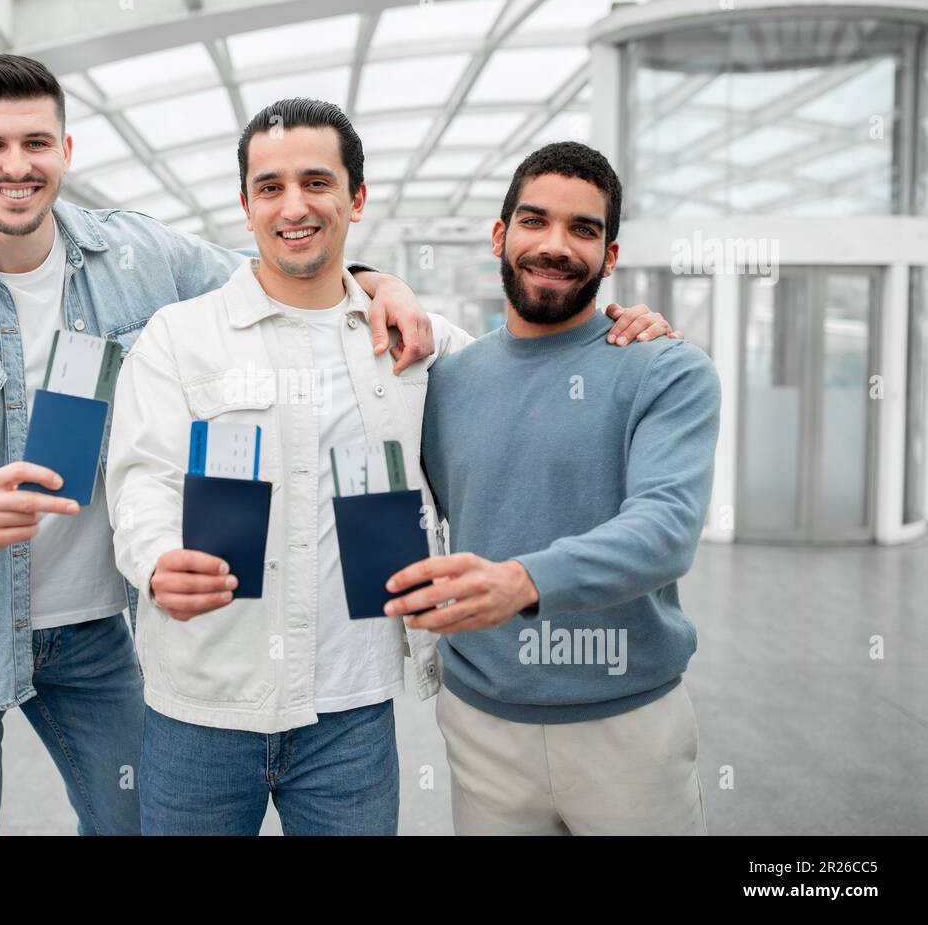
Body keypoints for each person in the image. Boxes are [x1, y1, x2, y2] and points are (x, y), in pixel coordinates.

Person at [0, 56, 437, 836]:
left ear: (66, 151)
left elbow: (280, 269)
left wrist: (378, 278)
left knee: (129, 820)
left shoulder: (136, 256)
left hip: (94, 627)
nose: (16, 165)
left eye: (37, 142)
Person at [104, 102, 676, 835]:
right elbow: (141, 477)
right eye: (270, 187)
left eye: (317, 181)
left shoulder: (418, 342)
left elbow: (536, 361)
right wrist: (155, 562)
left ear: (357, 198)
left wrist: (623, 334)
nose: (295, 205)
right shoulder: (180, 338)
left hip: (352, 715)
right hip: (203, 706)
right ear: (245, 206)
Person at [385, 141, 720, 835]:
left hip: (628, 726)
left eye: (584, 229)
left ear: (612, 255)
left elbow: (665, 529)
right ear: (501, 235)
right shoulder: (444, 384)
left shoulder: (665, 370)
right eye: (535, 221)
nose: (555, 245)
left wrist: (523, 581)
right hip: (481, 725)